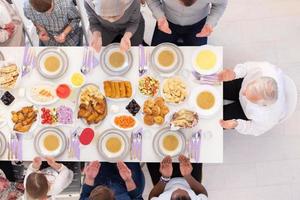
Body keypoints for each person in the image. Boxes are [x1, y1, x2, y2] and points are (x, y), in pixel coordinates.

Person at [218, 62, 286, 136]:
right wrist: (235, 73)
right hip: (241, 85)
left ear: (262, 105)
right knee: (216, 85)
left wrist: (237, 124)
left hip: (244, 111)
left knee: (217, 121)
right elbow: (246, 68)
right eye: (248, 88)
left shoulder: (267, 118)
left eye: (248, 97)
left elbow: (252, 128)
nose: (243, 93)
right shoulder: (264, 69)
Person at [146, 0, 228, 46]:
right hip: (167, 21)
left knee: (197, 58)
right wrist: (159, 16)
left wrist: (210, 22)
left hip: (198, 24)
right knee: (155, 53)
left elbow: (220, 5)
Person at [80, 161, 145, 200]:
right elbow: (136, 198)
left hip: (97, 180)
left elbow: (85, 195)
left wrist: (90, 178)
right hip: (128, 187)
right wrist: (128, 179)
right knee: (130, 152)